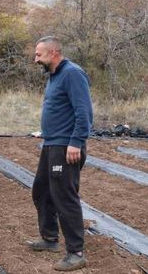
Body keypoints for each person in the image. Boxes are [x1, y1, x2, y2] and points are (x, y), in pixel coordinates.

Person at [29, 36, 92, 271]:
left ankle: (76, 253)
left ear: (54, 52)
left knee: (64, 196)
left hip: (66, 147)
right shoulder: (54, 76)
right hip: (51, 145)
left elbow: (83, 110)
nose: (35, 59)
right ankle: (49, 239)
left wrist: (76, 141)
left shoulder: (72, 73)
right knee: (42, 191)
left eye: (39, 54)